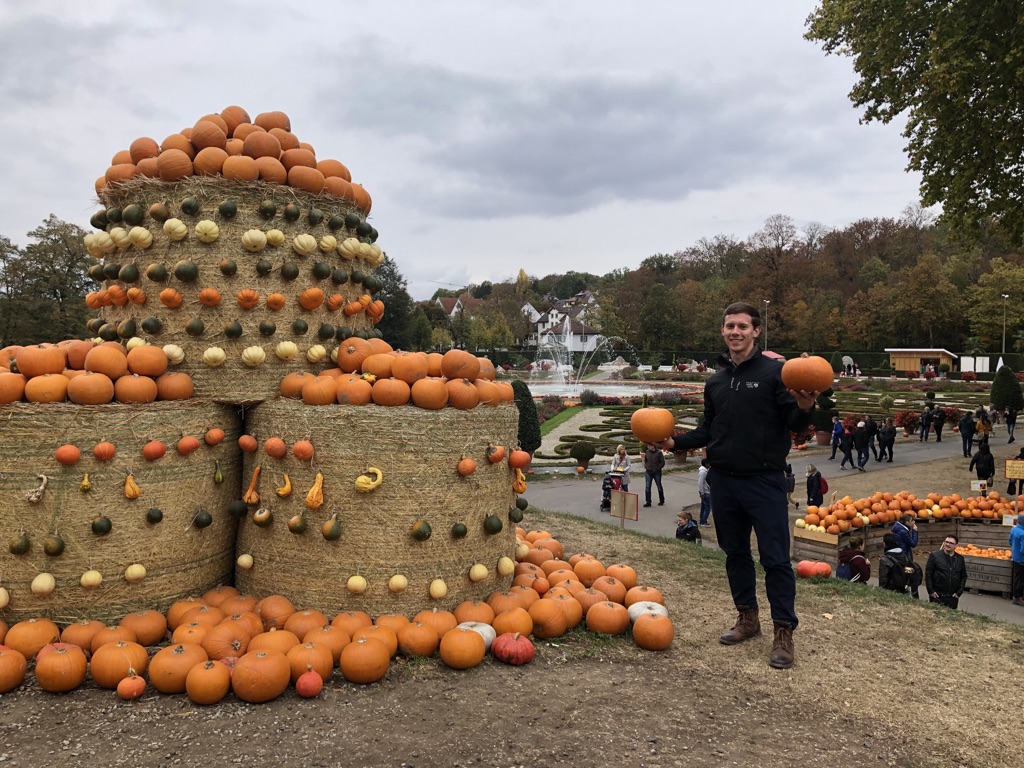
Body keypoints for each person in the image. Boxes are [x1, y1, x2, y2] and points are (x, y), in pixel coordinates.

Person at [659, 301, 817, 670]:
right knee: (735, 555)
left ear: (755, 331)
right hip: (724, 481)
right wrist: (673, 443)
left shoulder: (776, 373)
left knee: (776, 559)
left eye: (742, 326)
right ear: (723, 331)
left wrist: (806, 405)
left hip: (764, 481)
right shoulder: (715, 381)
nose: (735, 332)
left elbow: (794, 421)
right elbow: (708, 430)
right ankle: (748, 618)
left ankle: (784, 632)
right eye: (729, 326)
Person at [925, 534, 968, 609]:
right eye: (946, 542)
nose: (948, 544)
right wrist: (930, 591)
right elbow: (928, 574)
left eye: (951, 543)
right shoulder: (935, 556)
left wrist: (959, 592)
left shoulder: (960, 559)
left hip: (952, 597)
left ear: (956, 546)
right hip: (937, 595)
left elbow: (963, 576)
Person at [641, 442, 665, 508]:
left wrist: (658, 468)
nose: (648, 447)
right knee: (647, 487)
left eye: (649, 446)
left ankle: (662, 500)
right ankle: (648, 502)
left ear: (653, 446)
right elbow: (646, 460)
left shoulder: (659, 452)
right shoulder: (647, 452)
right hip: (648, 472)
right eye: (648, 446)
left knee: (659, 486)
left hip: (657, 472)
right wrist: (646, 466)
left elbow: (662, 462)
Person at [1010, 513, 1024, 607]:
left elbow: (1010, 541)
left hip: (1015, 557)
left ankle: (1017, 596)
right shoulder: (1023, 533)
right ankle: (1017, 597)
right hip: (1022, 559)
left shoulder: (1014, 529)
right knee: (1021, 579)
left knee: (1018, 577)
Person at [697, 458, 712, 526]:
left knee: (703, 506)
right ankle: (703, 521)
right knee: (708, 507)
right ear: (706, 464)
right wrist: (702, 493)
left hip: (705, 491)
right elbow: (700, 483)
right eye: (709, 463)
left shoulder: (704, 470)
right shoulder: (703, 472)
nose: (710, 464)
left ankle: (702, 520)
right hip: (706, 492)